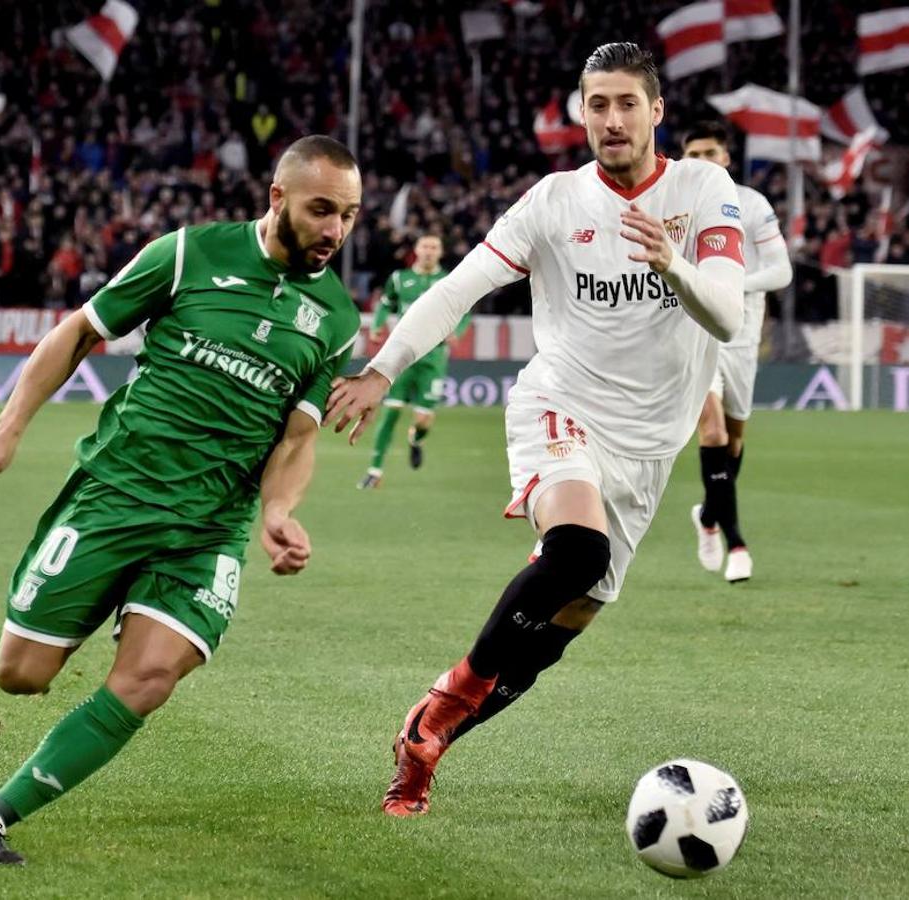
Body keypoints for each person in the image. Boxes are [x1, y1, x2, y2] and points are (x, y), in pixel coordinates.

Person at [324, 43, 746, 817]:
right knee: (575, 549)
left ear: (657, 112)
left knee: (567, 616)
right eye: (596, 105)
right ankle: (443, 705)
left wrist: (673, 267)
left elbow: (726, 309)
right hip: (562, 405)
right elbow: (460, 288)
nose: (611, 120)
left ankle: (431, 738)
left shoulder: (703, 188)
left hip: (649, 447)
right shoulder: (553, 201)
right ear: (578, 114)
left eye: (626, 103)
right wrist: (382, 369)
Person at [0, 135, 362, 864]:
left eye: (350, 215)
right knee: (21, 675)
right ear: (277, 198)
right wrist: (5, 432)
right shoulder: (185, 255)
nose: (335, 231)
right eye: (321, 209)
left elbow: (298, 438)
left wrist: (276, 511)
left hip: (209, 526)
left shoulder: (334, 320)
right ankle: (111, 600)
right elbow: (78, 332)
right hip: (116, 493)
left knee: (149, 677)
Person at [682, 121, 792, 583]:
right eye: (693, 154)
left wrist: (728, 285)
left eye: (711, 153)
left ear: (726, 158)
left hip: (742, 335)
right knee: (711, 433)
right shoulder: (674, 207)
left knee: (734, 441)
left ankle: (708, 515)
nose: (702, 161)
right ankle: (737, 543)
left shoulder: (752, 205)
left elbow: (781, 271)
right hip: (694, 331)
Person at [358, 233, 470, 489]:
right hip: (403, 357)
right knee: (390, 413)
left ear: (440, 252)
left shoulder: (449, 282)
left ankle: (416, 439)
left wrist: (458, 331)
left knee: (423, 421)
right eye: (425, 246)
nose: (429, 251)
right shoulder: (400, 279)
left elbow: (465, 313)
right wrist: (376, 326)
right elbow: (386, 304)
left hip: (432, 359)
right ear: (417, 250)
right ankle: (374, 471)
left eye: (434, 247)